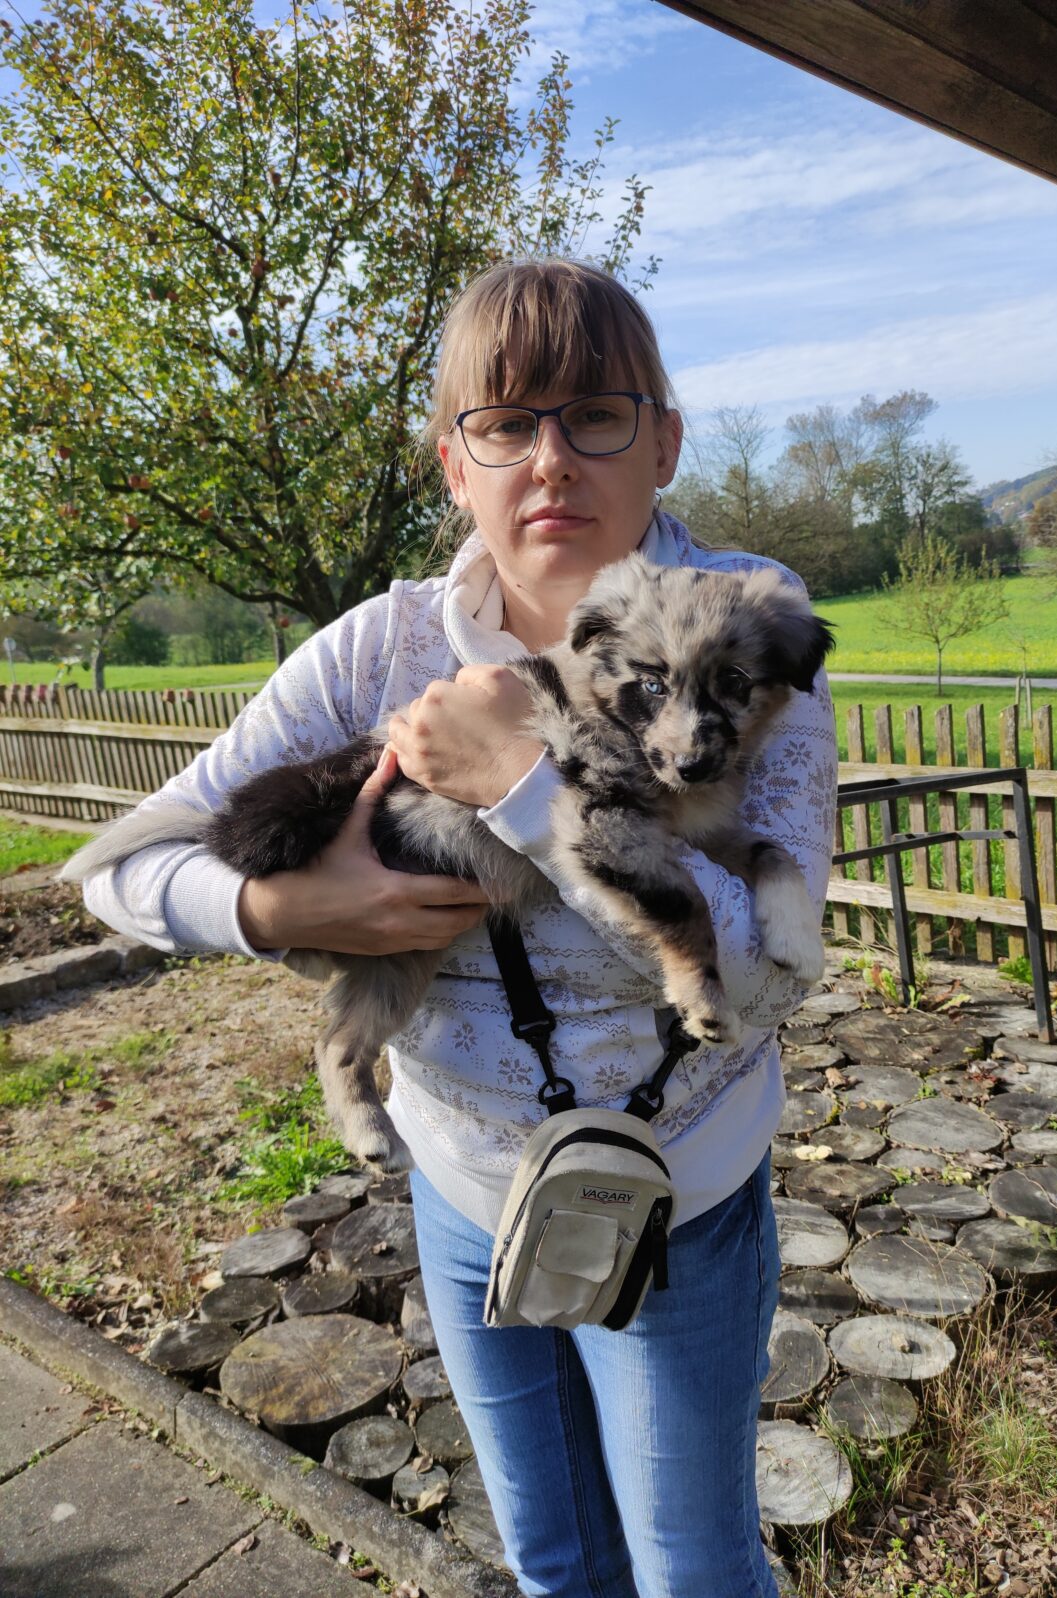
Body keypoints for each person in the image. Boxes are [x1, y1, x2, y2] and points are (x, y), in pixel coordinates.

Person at [83, 258, 838, 1598]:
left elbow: (762, 978)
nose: (550, 458)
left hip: (684, 1203)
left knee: (694, 1570)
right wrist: (277, 906)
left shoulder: (743, 625)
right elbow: (118, 871)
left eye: (595, 413)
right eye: (505, 423)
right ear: (454, 463)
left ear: (664, 439)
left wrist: (521, 778)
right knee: (553, 1561)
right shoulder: (375, 652)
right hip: (462, 1192)